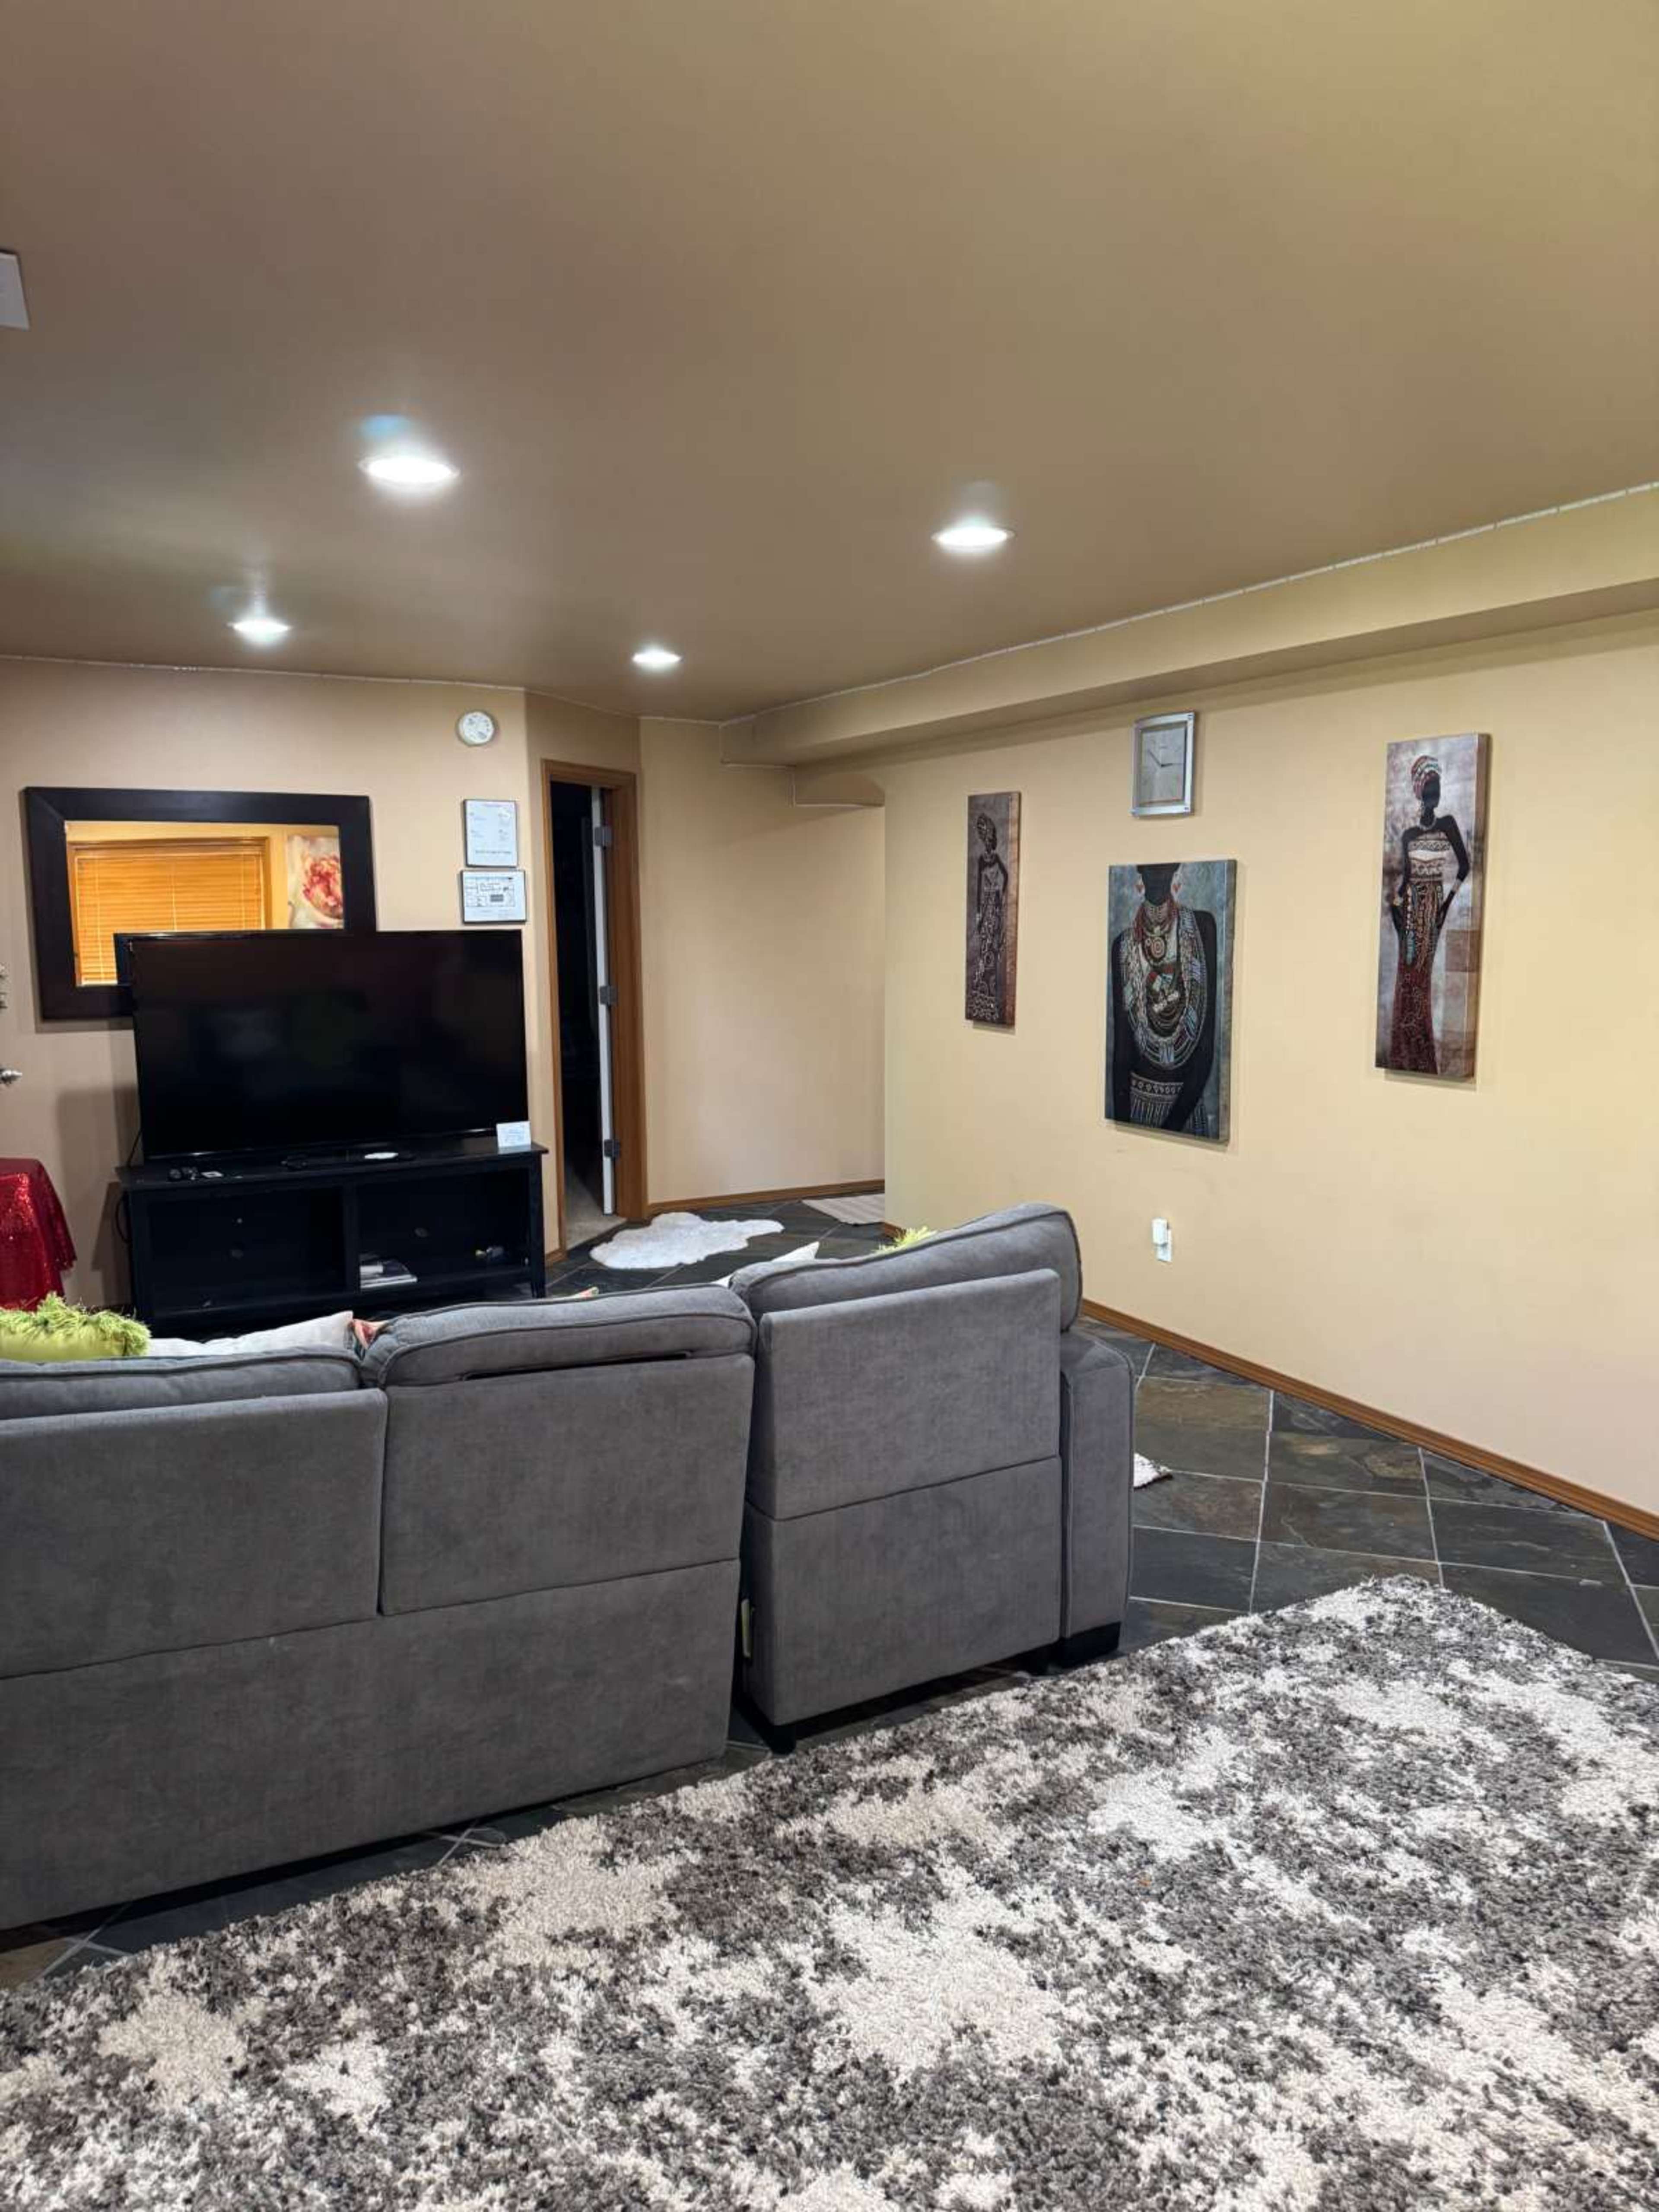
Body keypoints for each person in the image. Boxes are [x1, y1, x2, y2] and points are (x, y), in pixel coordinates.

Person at [1109, 862, 1218, 1135]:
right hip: (1138, 1106)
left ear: (1174, 872)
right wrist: (1124, 1130)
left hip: (1187, 1112)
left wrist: (1171, 1127)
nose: (1158, 877)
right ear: (1141, 874)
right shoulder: (1123, 947)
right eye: (1151, 870)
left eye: (1165, 870)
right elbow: (1122, 1051)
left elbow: (1205, 1047)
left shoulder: (1202, 927)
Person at [1385, 756, 1470, 1074]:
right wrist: (1394, 906)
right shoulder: (1408, 835)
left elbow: (1464, 865)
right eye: (1429, 788)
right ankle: (1405, 1054)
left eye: (1438, 786)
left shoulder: (1447, 824)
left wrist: (1446, 903)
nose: (1435, 793)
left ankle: (1420, 1055)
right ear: (1421, 792)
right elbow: (1406, 880)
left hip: (1432, 906)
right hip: (1408, 911)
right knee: (1406, 978)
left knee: (1420, 977)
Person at [967, 810, 1010, 1022]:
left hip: (995, 912)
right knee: (983, 958)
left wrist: (998, 896)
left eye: (990, 837)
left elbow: (1007, 878)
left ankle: (990, 1001)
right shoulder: (982, 861)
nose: (988, 841)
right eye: (985, 837)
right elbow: (977, 890)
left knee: (992, 958)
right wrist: (978, 914)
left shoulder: (997, 861)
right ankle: (980, 1001)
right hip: (986, 913)